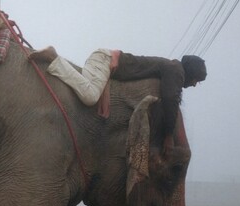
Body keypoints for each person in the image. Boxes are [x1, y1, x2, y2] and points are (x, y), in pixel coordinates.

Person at [28, 46, 207, 154]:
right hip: (105, 61)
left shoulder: (172, 68)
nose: (195, 84)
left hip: (103, 60)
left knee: (88, 91)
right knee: (90, 97)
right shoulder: (175, 70)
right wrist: (168, 136)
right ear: (191, 73)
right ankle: (53, 57)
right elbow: (170, 99)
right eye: (197, 80)